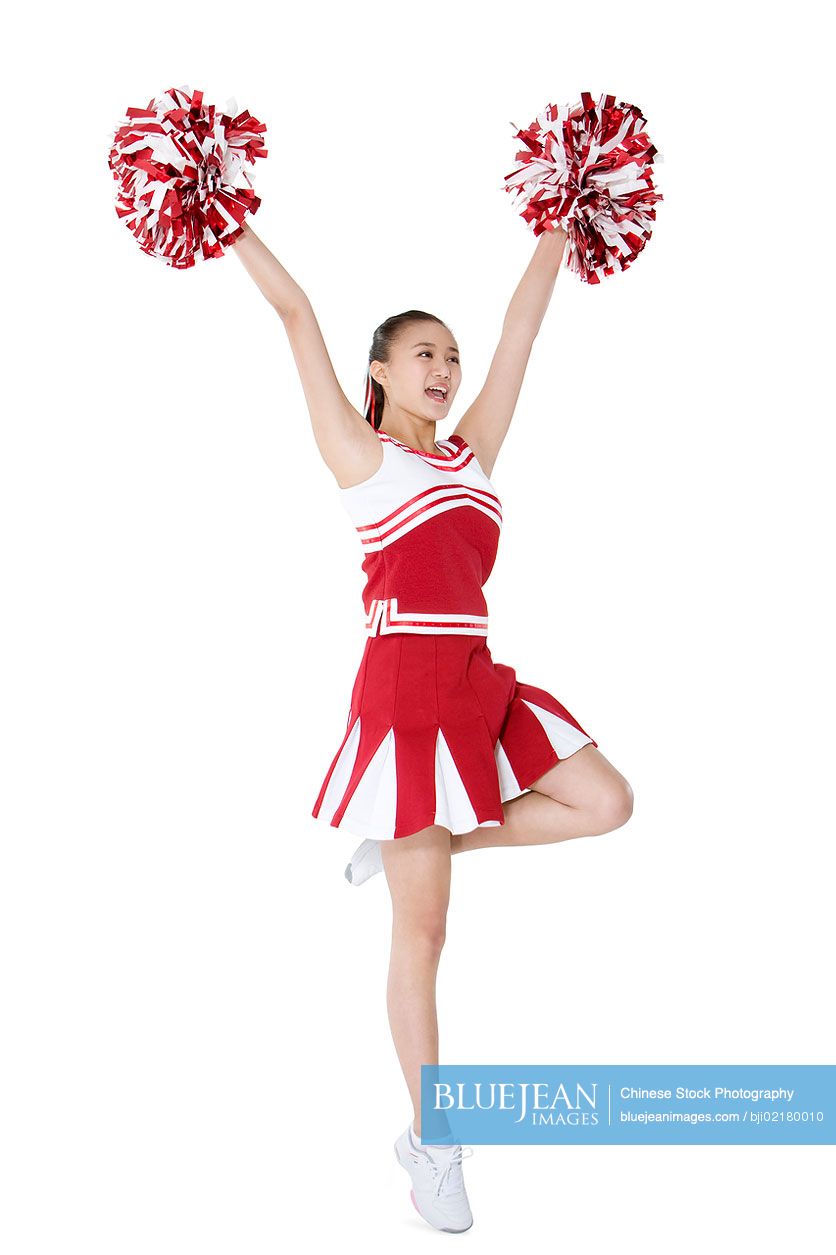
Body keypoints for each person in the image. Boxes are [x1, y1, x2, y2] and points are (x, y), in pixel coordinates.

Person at [230, 220, 634, 1233]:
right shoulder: (359, 456)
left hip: (474, 676)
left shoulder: (471, 452)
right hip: (407, 687)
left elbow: (523, 329)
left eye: (450, 357)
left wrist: (562, 212)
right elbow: (293, 313)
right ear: (381, 370)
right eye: (425, 354)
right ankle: (433, 1141)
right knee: (425, 930)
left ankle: (418, 833)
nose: (446, 370)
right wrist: (225, 215)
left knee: (604, 800)